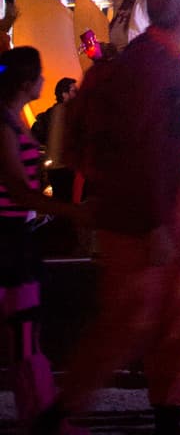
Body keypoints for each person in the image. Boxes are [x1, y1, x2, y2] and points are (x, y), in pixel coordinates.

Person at [53, 0, 180, 433]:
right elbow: (143, 146)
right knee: (130, 323)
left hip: (147, 209)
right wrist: (158, 220)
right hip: (144, 217)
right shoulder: (154, 65)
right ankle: (60, 412)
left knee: (170, 318)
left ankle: (165, 412)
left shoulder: (150, 58)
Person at [1, 48, 85, 432]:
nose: (43, 81)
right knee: (23, 337)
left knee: (24, 336)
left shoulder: (14, 120)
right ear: (24, 81)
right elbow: (18, 188)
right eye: (39, 74)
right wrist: (76, 211)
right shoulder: (4, 123)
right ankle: (43, 420)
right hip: (7, 240)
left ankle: (40, 416)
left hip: (17, 237)